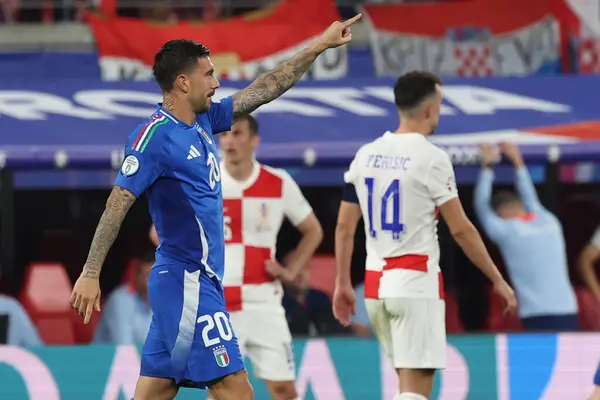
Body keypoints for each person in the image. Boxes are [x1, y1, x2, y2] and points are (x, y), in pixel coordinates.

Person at [68, 13, 362, 400]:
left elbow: (266, 88)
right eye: (208, 75)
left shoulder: (205, 121)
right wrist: (91, 272)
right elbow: (117, 202)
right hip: (187, 281)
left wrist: (318, 46)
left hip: (196, 281)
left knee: (156, 389)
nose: (217, 82)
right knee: (236, 391)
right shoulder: (153, 137)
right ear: (182, 82)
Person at [333, 71, 517, 400]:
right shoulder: (431, 158)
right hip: (414, 283)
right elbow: (460, 229)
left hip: (375, 289)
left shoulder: (365, 155)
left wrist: (342, 283)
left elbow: (345, 226)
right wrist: (497, 279)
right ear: (430, 109)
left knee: (407, 384)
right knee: (417, 389)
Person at [217, 115, 323, 400]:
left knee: (284, 390)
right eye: (224, 135)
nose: (229, 141)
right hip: (219, 305)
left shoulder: (278, 182)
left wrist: (291, 271)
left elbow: (313, 231)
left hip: (264, 301)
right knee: (223, 394)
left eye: (237, 134)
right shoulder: (204, 179)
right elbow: (160, 231)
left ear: (254, 141)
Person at [476, 143, 578, 331]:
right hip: (568, 309)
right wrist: (518, 161)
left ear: (501, 212)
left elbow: (481, 207)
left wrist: (487, 167)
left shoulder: (506, 231)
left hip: (536, 314)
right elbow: (531, 198)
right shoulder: (548, 221)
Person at [93, 252, 154, 345]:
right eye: (147, 275)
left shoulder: (165, 302)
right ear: (137, 276)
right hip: (106, 358)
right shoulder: (121, 300)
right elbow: (124, 345)